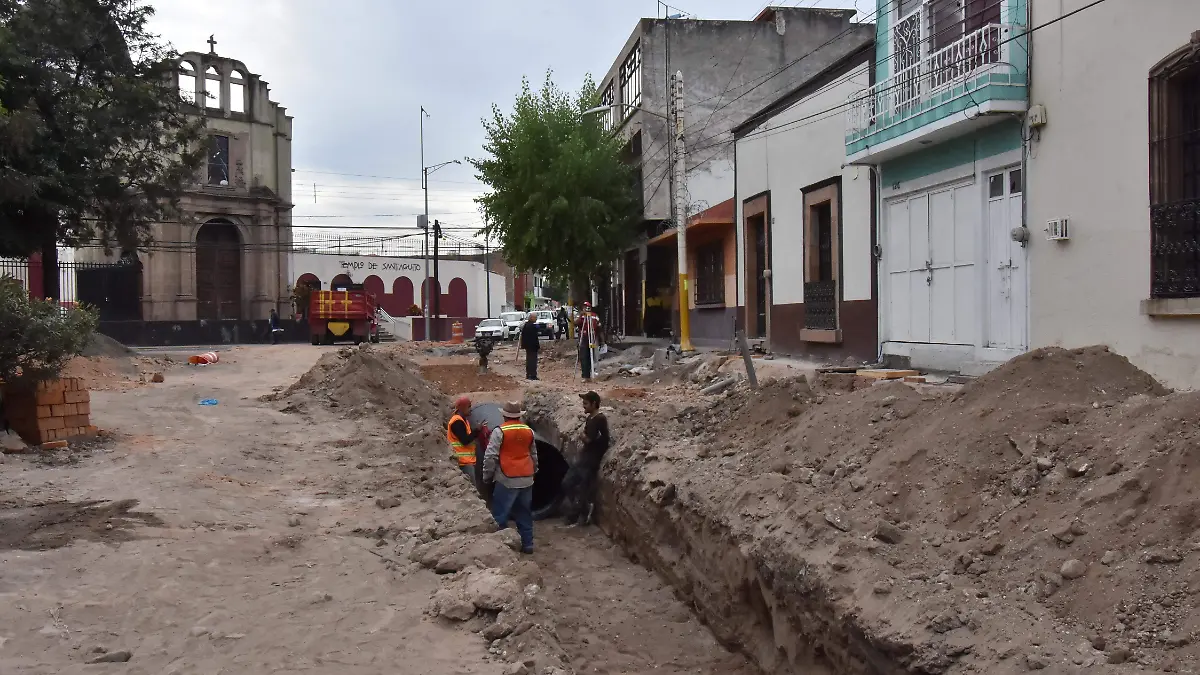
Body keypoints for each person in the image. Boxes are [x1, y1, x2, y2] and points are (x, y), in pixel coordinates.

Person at [482, 401, 538, 554]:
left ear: (504, 415)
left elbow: (490, 456)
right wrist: (534, 471)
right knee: (524, 512)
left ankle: (501, 550)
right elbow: (533, 455)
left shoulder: (500, 431)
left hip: (507, 479)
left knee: (500, 514)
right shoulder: (529, 431)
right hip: (526, 478)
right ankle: (528, 545)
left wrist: (487, 476)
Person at [561, 390, 610, 526]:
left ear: (594, 404)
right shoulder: (591, 418)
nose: (583, 406)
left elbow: (589, 439)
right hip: (584, 458)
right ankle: (579, 511)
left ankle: (580, 515)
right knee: (567, 483)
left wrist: (583, 436)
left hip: (590, 461)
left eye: (586, 403)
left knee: (582, 489)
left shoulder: (600, 419)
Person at [446, 396, 483, 483]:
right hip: (463, 462)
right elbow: (465, 440)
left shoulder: (463, 420)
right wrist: (477, 430)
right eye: (469, 406)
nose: (470, 409)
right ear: (462, 408)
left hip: (466, 461)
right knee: (471, 485)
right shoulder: (457, 422)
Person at [575, 302, 601, 380]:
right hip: (584, 338)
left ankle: (590, 373)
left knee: (591, 356)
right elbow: (576, 323)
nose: (585, 308)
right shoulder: (582, 316)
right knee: (584, 357)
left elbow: (599, 327)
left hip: (592, 338)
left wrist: (600, 339)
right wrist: (581, 316)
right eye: (584, 307)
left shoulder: (594, 316)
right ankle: (585, 375)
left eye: (586, 307)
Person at [519, 311, 540, 381]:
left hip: (528, 346)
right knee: (532, 361)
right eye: (535, 318)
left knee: (529, 360)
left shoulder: (526, 325)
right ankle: (532, 375)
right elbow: (533, 336)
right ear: (531, 318)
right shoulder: (531, 326)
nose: (536, 319)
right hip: (532, 346)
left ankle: (529, 374)